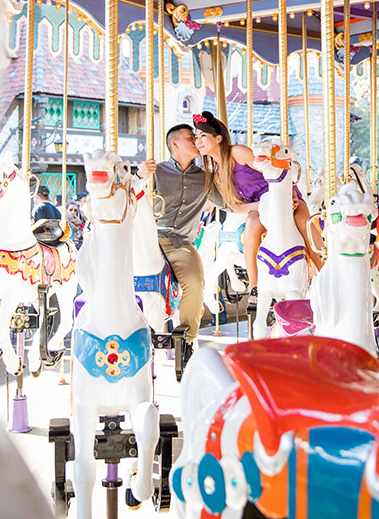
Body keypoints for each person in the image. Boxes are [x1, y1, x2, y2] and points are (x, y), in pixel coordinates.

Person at [192, 110, 323, 312]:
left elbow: (270, 170)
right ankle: (255, 286)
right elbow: (235, 206)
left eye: (203, 136)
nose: (198, 141)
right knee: (252, 225)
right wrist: (259, 206)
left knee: (304, 224)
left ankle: (324, 273)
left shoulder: (238, 152)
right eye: (196, 137)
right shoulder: (217, 175)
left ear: (218, 138)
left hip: (284, 197)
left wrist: (286, 194)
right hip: (259, 208)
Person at [138, 123, 223, 350]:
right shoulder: (156, 171)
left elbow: (227, 203)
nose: (196, 141)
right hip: (150, 239)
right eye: (190, 137)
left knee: (196, 283)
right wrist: (139, 175)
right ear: (174, 144)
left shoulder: (205, 177)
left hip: (180, 243)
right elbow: (129, 197)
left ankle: (186, 337)